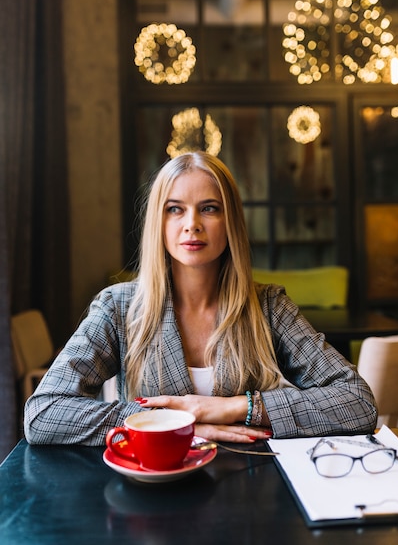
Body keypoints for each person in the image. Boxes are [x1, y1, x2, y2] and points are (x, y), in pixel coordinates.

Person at [24, 151, 377, 446]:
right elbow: (43, 414)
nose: (191, 224)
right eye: (175, 209)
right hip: (155, 493)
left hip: (251, 491)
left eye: (209, 208)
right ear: (158, 222)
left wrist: (241, 407)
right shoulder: (118, 307)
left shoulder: (269, 306)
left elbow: (358, 401)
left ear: (231, 221)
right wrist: (168, 424)